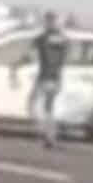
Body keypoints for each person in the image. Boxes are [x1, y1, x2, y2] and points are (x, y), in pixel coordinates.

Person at [27, 11, 70, 149]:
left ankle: (47, 134)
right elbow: (65, 54)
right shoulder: (63, 39)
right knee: (49, 107)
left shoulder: (43, 38)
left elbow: (32, 49)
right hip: (56, 76)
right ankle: (50, 134)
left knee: (36, 105)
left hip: (45, 76)